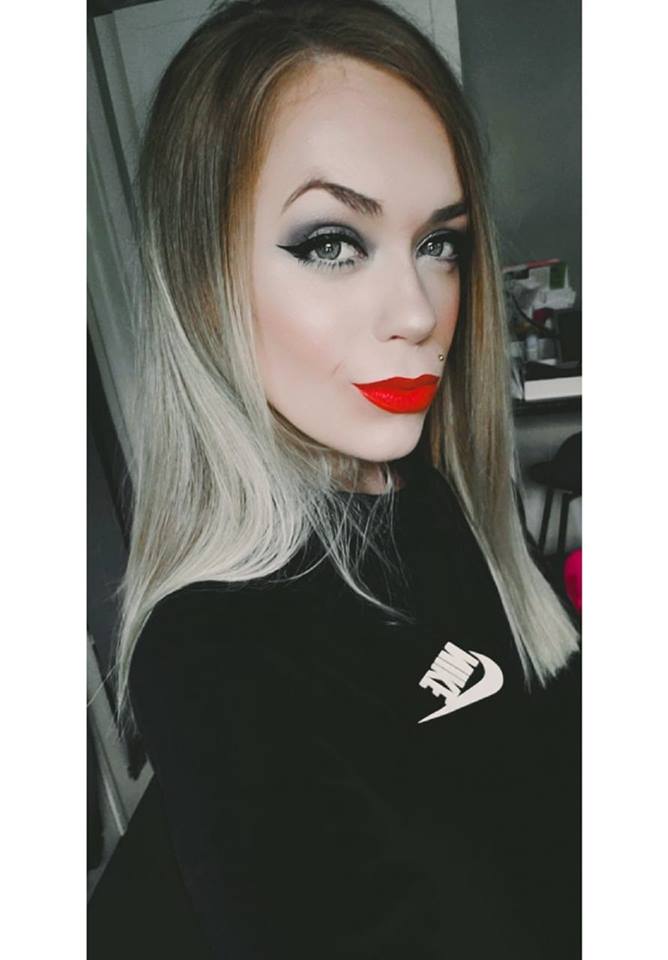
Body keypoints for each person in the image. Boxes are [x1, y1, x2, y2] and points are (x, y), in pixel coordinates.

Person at [114, 1, 581, 956]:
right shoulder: (215, 653)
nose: (417, 311)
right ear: (201, 280)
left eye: (439, 243)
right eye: (331, 242)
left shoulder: (434, 496)